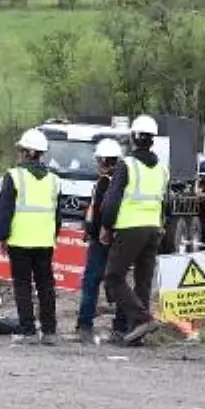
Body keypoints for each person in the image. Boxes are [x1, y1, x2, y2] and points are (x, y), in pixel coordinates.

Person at [100, 115, 169, 346]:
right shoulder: (161, 169)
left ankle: (142, 319)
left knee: (113, 276)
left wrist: (107, 226)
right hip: (154, 228)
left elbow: (112, 200)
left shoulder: (126, 165)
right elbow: (165, 202)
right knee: (143, 281)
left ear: (133, 138)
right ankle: (136, 333)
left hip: (131, 227)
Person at [0, 128, 61, 346]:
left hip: (20, 240)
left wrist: (1, 236)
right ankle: (49, 331)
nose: (20, 153)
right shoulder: (54, 180)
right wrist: (52, 235)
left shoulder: (14, 176)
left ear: (29, 152)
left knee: (22, 286)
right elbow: (57, 214)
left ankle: (28, 330)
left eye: (22, 149)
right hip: (44, 241)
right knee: (45, 285)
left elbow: (4, 209)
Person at [76, 138, 128, 344]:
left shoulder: (106, 182)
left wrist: (93, 230)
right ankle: (121, 326)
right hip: (119, 239)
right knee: (118, 282)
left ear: (105, 160)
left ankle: (85, 325)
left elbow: (100, 211)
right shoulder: (124, 182)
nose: (97, 164)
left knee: (91, 282)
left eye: (99, 160)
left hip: (102, 240)